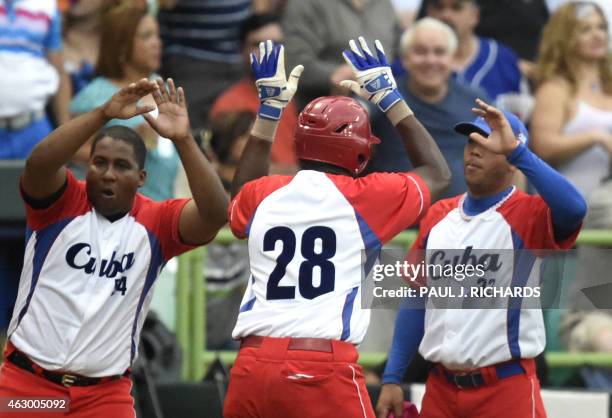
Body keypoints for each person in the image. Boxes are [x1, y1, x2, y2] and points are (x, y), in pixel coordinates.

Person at [222, 37, 450, 418]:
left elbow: (239, 197)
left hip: (252, 365)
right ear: (359, 151)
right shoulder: (367, 196)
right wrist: (391, 98)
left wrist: (269, 110)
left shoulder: (266, 191)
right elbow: (438, 174)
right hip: (319, 367)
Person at [0, 78, 227, 417]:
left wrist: (182, 139)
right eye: (99, 162)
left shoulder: (157, 222)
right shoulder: (61, 202)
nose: (108, 173)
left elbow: (215, 213)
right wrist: (104, 113)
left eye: (122, 166)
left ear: (141, 178)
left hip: (104, 397)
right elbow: (39, 164)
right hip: (31, 387)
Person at [376, 100, 587, 418]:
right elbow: (417, 299)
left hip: (505, 388)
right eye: (471, 142)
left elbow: (574, 208)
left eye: (488, 144)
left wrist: (519, 152)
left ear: (512, 158)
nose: (474, 150)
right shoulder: (438, 214)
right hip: (442, 389)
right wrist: (393, 376)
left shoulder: (527, 214)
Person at [70, 4, 181, 201]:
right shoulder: (95, 96)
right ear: (121, 45)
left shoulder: (162, 86)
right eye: (146, 36)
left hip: (165, 208)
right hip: (119, 216)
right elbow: (72, 152)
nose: (157, 43)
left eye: (157, 35)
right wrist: (128, 144)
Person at [367, 17, 488, 199]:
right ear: (405, 58)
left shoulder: (477, 100)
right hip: (399, 218)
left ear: (453, 58)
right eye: (420, 52)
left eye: (439, 52)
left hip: (464, 219)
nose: (430, 60)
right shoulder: (383, 96)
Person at [531, 1, 612, 199]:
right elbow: (542, 146)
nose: (597, 35)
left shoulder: (609, 84)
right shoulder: (555, 89)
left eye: (601, 27)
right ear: (564, 37)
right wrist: (596, 137)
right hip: (572, 205)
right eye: (585, 29)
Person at [210, 13, 298, 172]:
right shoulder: (228, 104)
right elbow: (229, 170)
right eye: (258, 44)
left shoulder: (294, 96)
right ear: (241, 50)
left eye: (276, 44)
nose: (268, 52)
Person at [282, 0, 401, 109]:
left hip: (384, 106)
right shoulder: (306, 3)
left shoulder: (384, 4)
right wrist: (334, 73)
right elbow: (295, 64)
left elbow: (399, 49)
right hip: (326, 109)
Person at [0, 0, 71, 159]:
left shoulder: (47, 5)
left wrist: (66, 134)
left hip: (33, 129)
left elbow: (58, 71)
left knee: (40, 183)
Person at [422, 0, 526, 108]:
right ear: (428, 13)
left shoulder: (502, 58)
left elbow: (521, 117)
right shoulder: (413, 60)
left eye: (456, 7)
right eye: (438, 7)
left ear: (474, 15)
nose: (446, 15)